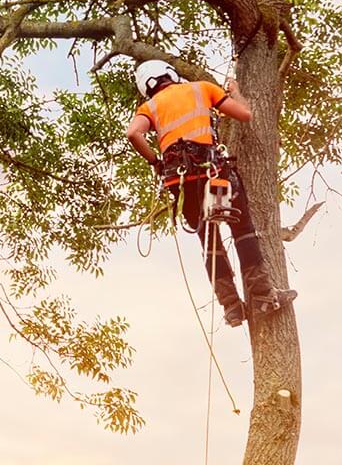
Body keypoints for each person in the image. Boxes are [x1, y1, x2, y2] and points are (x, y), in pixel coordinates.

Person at [125, 59, 296, 327]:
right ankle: (263, 296)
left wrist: (156, 163)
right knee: (242, 230)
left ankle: (232, 308)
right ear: (170, 74)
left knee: (209, 240)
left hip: (182, 184)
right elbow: (244, 114)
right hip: (212, 175)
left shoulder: (149, 107)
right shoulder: (200, 89)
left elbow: (133, 133)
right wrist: (235, 91)